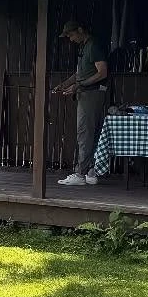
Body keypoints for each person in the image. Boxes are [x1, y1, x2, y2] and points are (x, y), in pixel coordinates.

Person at [53, 20, 110, 186]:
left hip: (92, 94)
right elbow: (79, 74)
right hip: (85, 93)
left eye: (71, 35)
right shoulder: (83, 47)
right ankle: (91, 171)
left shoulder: (94, 45)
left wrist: (80, 85)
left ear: (80, 30)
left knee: (84, 133)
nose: (70, 39)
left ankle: (80, 173)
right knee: (91, 134)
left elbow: (102, 72)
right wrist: (64, 84)